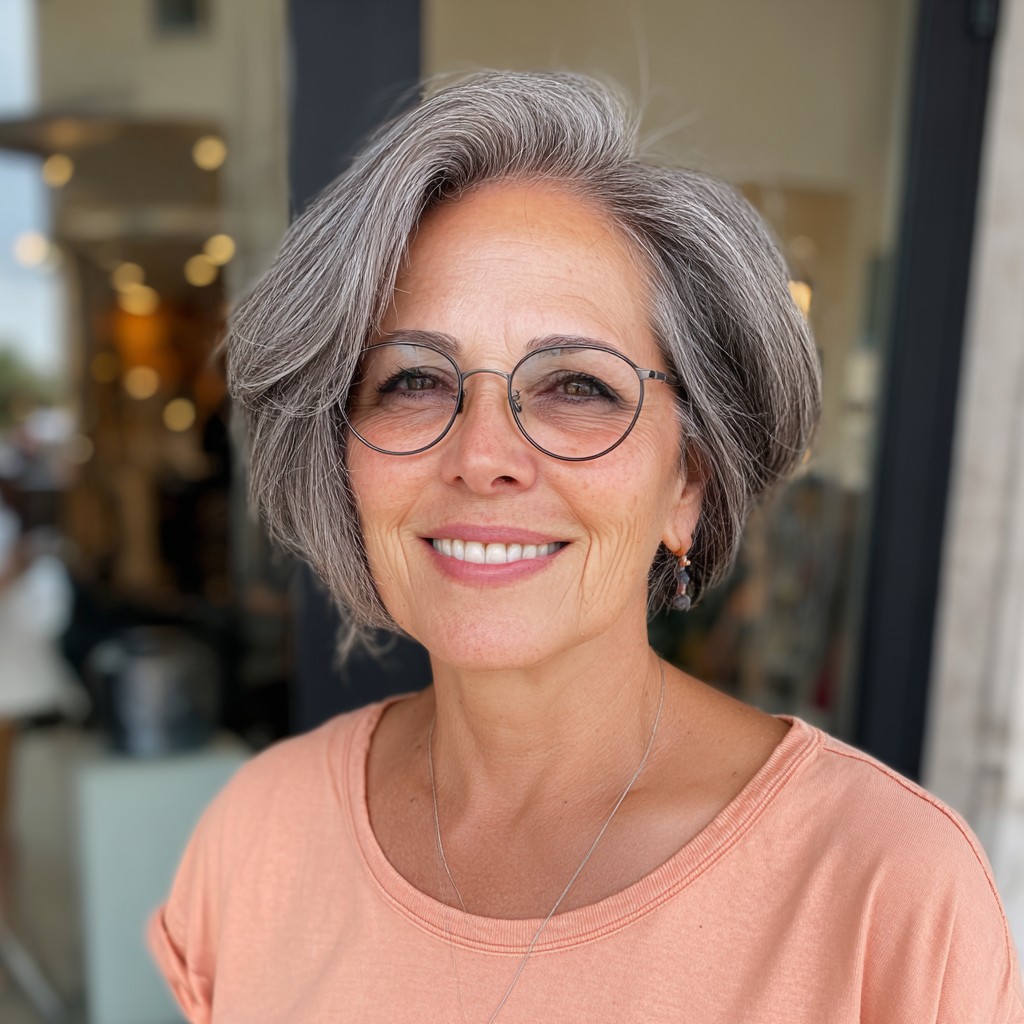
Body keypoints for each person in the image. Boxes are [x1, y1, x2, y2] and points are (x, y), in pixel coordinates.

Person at [148, 71, 1023, 1022]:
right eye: (412, 381)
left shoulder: (884, 892)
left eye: (577, 387)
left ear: (688, 481)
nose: (483, 456)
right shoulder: (258, 837)